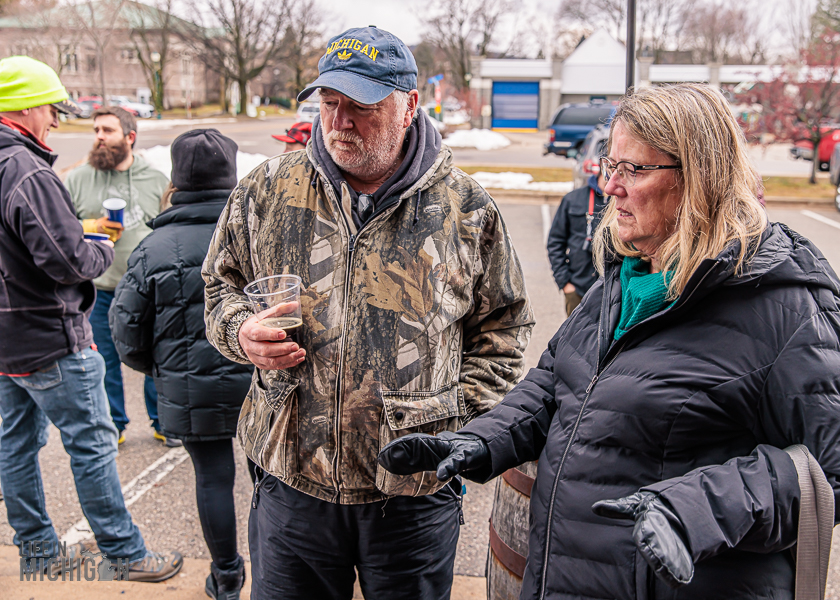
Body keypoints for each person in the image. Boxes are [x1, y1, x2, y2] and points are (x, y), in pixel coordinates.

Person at [378, 83, 840, 599]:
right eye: (609, 165)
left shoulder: (795, 311)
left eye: (633, 169)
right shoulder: (626, 277)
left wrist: (697, 508)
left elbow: (834, 476)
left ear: (701, 177)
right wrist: (482, 440)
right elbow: (555, 384)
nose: (610, 186)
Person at [202, 26, 533, 600]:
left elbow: (503, 332)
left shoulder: (465, 211)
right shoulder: (268, 190)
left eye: (361, 106)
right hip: (291, 480)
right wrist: (240, 331)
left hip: (411, 494)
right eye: (330, 104)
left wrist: (450, 426)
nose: (340, 121)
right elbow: (218, 288)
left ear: (408, 108)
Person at [0, 55, 182, 582]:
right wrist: (98, 247)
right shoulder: (26, 170)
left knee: (15, 445)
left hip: (8, 339)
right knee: (93, 444)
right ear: (26, 107)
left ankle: (37, 551)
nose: (57, 120)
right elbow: (67, 262)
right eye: (52, 108)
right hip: (48, 336)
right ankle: (125, 554)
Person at [110, 129, 254, 599]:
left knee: (212, 477)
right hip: (262, 380)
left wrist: (161, 369)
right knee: (271, 481)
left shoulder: (152, 248)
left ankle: (227, 577)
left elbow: (126, 330)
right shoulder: (258, 237)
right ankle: (275, 568)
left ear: (176, 180)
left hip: (191, 386)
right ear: (231, 177)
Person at [65, 106, 172, 446]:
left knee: (155, 356)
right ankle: (115, 425)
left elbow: (168, 230)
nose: (99, 137)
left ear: (130, 137)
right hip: (97, 288)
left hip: (145, 288)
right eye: (96, 130)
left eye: (107, 130)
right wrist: (90, 226)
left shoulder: (155, 179)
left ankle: (162, 422)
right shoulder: (78, 179)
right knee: (104, 360)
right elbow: (60, 230)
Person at [546, 173, 605, 315]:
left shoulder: (623, 201)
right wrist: (565, 283)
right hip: (578, 288)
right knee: (576, 336)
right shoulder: (573, 199)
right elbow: (555, 242)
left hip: (613, 292)